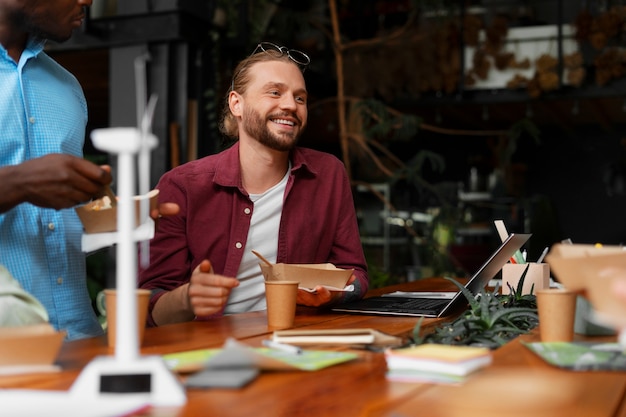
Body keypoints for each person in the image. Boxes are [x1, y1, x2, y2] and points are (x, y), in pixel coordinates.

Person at [139, 42, 369, 326]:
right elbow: (151, 306)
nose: (290, 105)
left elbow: (355, 273)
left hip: (297, 342)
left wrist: (333, 294)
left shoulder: (328, 174)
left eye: (300, 98)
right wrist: (188, 298)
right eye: (275, 92)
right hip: (209, 351)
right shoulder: (182, 186)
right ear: (237, 104)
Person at [0, 0, 180, 338]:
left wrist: (124, 217)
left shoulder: (66, 87)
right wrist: (15, 183)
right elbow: (25, 190)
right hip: (10, 346)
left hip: (81, 338)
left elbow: (59, 222)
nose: (88, 1)